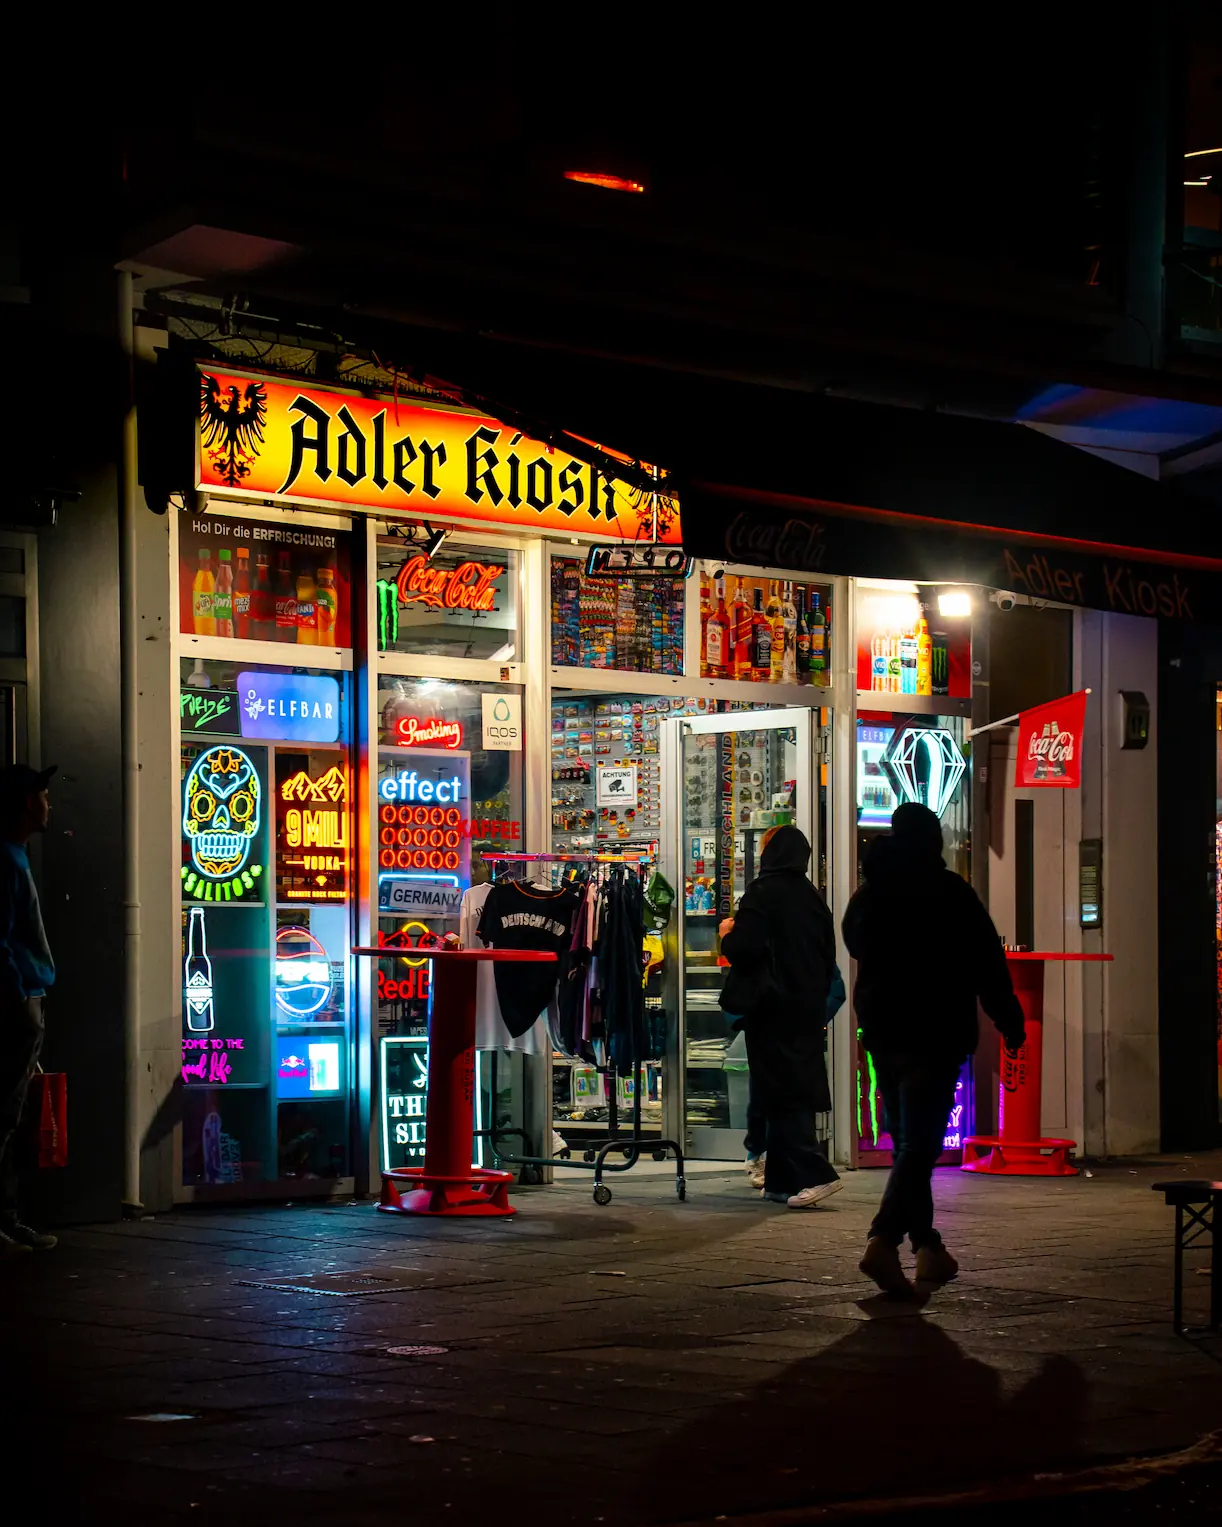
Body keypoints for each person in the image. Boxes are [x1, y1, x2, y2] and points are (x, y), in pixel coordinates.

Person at [842, 801, 1025, 1294]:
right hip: (936, 1033)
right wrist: (1010, 1021)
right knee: (920, 1144)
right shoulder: (950, 893)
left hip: (884, 1031)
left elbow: (854, 943)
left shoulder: (870, 893)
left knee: (910, 1143)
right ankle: (883, 1240)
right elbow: (988, 962)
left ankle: (928, 1249)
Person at [719, 824, 841, 1209]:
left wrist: (727, 934)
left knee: (778, 1092)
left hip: (771, 1008)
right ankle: (782, 1180)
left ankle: (817, 1174)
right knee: (795, 1089)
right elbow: (827, 955)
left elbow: (744, 947)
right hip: (806, 1008)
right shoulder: (812, 898)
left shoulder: (762, 893)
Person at [0, 764, 57, 1255]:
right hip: (17, 1002)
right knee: (5, 1114)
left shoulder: (13, 856)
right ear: (24, 803)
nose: (48, 803)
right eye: (42, 794)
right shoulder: (6, 861)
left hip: (23, 997)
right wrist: (19, 996)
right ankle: (5, 1220)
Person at [743, 962, 845, 1189]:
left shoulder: (803, 944)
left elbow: (835, 990)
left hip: (796, 1030)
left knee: (792, 1098)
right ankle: (759, 1153)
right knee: (765, 1095)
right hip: (772, 1028)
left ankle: (778, 1165)